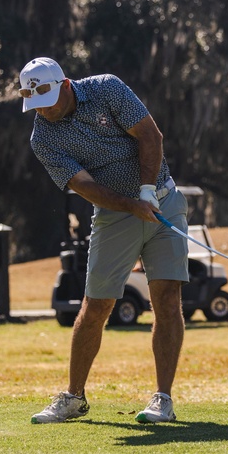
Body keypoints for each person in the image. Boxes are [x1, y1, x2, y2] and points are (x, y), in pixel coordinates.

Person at [20, 57, 188, 424]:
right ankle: (74, 397)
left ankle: (163, 400)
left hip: (164, 199)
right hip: (114, 216)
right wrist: (131, 204)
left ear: (65, 84)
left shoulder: (106, 88)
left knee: (166, 296)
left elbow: (150, 135)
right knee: (95, 305)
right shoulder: (43, 137)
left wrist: (147, 192)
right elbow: (84, 186)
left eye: (48, 101)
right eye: (36, 106)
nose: (43, 112)